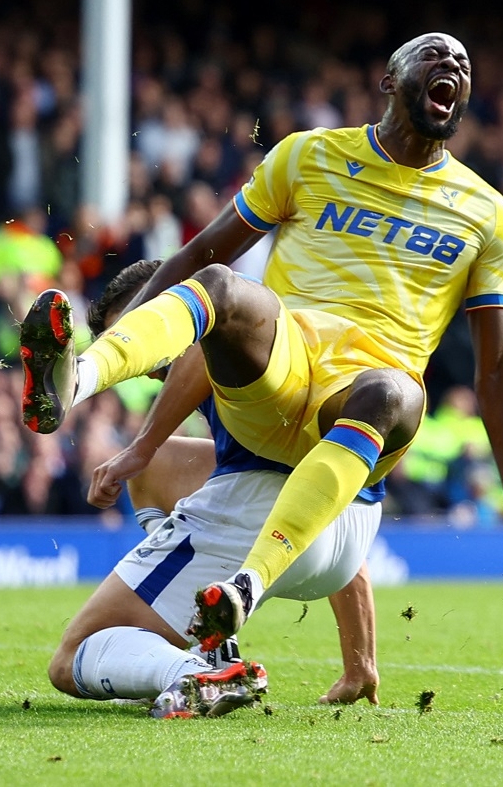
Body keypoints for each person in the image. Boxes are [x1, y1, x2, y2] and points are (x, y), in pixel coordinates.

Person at [20, 32, 503, 651]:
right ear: (388, 80)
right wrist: (124, 367)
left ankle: (238, 591)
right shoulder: (307, 156)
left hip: (358, 401)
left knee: (391, 391)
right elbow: (197, 254)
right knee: (222, 285)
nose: (452, 63)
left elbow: (501, 357)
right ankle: (71, 381)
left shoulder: (487, 213)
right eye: (432, 53)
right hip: (283, 375)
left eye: (463, 61)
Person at [46, 261, 382, 718]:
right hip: (346, 529)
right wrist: (360, 662)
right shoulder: (281, 340)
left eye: (135, 332)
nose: (140, 363)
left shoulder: (224, 335)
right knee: (156, 465)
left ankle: (193, 673)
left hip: (262, 507)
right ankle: (210, 640)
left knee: (73, 658)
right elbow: (324, 489)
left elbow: (201, 345)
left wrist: (142, 445)